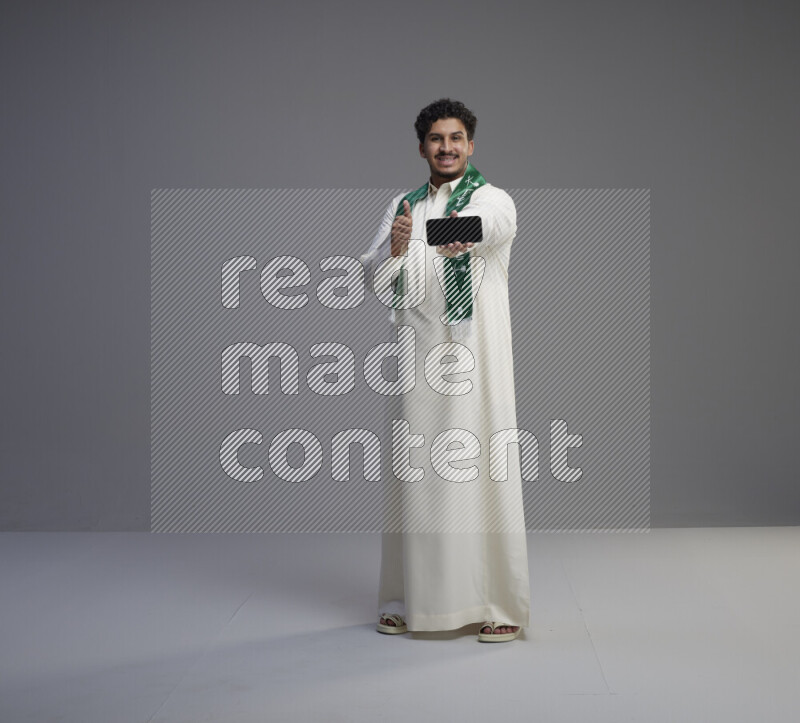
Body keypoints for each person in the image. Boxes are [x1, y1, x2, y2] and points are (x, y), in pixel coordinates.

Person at [360, 98, 531, 642]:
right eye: (437, 139)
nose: (447, 147)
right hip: (417, 364)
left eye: (456, 138)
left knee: (481, 474)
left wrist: (454, 234)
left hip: (475, 364)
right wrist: (393, 249)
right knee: (414, 478)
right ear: (422, 148)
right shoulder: (403, 206)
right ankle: (407, 600)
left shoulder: (491, 198)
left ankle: (497, 605)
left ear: (471, 145)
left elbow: (494, 227)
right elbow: (372, 276)